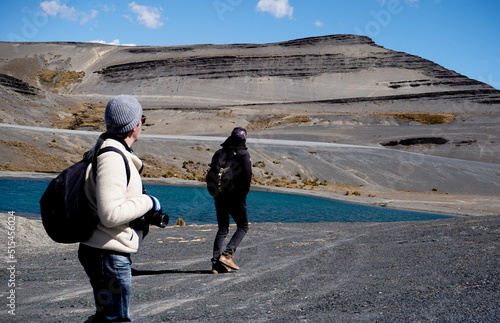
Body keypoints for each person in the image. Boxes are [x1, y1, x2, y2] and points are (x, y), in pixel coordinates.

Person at [79, 95, 167, 322]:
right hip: (108, 253)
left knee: (107, 317)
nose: (142, 125)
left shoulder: (110, 150)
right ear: (133, 125)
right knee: (116, 319)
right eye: (142, 120)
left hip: (104, 252)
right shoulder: (112, 157)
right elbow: (110, 215)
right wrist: (150, 202)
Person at [211, 127, 252, 274]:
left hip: (219, 196)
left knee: (222, 229)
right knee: (243, 226)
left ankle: (216, 264)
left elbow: (211, 176)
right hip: (235, 198)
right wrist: (242, 195)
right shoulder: (243, 154)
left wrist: (215, 194)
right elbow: (247, 178)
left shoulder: (219, 153)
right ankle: (227, 255)